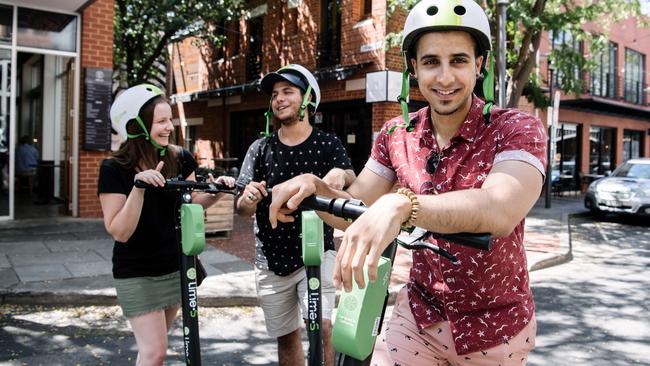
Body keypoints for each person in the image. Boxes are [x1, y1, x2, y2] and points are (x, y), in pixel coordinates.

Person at [268, 0, 547, 364]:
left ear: (479, 65)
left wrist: (402, 205)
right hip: (420, 315)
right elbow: (355, 206)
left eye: (459, 60)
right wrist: (316, 187)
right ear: (413, 67)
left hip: (495, 327)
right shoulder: (396, 133)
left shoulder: (516, 128)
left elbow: (500, 209)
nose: (444, 78)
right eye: (431, 62)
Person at [97, 84, 235, 365]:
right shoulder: (114, 169)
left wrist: (216, 190)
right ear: (136, 125)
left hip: (176, 266)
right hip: (137, 272)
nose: (169, 127)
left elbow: (192, 203)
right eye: (160, 121)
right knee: (155, 351)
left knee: (155, 349)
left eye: (169, 120)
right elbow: (119, 231)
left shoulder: (180, 158)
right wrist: (139, 188)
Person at [235, 64, 355, 366]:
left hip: (316, 254)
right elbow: (242, 207)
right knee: (286, 337)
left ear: (308, 100)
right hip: (271, 260)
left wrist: (339, 173)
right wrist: (248, 198)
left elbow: (351, 178)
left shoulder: (328, 143)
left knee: (323, 328)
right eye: (275, 94)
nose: (279, 99)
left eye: (288, 91)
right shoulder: (260, 148)